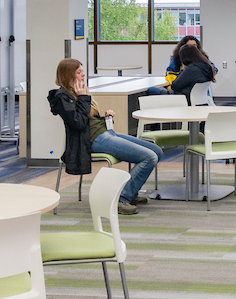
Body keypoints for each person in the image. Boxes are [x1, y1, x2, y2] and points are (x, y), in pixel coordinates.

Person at [48, 58, 163, 215]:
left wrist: (105, 117)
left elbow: (88, 119)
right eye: (79, 72)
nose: (83, 75)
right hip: (93, 140)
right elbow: (79, 123)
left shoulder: (79, 93)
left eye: (82, 71)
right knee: (149, 157)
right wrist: (83, 97)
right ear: (69, 74)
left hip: (105, 133)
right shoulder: (62, 97)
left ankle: (131, 191)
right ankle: (121, 198)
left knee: (157, 151)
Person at [146, 36, 218, 96]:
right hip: (199, 96)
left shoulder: (191, 69)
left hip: (184, 96)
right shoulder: (205, 65)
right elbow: (171, 72)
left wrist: (183, 69)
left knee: (151, 89)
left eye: (194, 45)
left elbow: (175, 86)